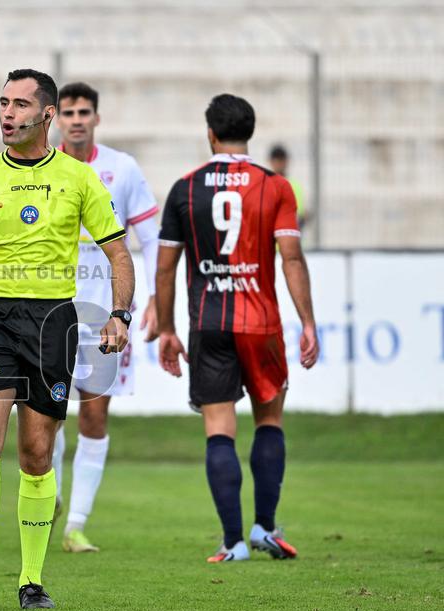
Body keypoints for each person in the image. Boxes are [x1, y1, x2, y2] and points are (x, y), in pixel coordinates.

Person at [0, 69, 135, 609]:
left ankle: (31, 581)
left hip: (52, 323)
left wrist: (120, 314)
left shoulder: (79, 179)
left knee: (38, 452)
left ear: (47, 115)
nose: (7, 113)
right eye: (3, 102)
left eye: (20, 104)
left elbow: (118, 253)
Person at [156, 93, 319, 563]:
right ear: (250, 132)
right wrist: (308, 322)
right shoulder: (276, 187)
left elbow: (165, 268)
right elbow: (291, 258)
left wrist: (166, 329)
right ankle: (265, 527)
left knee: (218, 430)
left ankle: (233, 543)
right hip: (261, 322)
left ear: (210, 133)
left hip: (209, 322)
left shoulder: (185, 188)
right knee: (269, 421)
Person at [51, 82, 160, 553]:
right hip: (50, 312)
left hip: (105, 315)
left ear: (96, 118)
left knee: (94, 416)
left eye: (84, 112)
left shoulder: (123, 169)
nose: (77, 120)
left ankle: (75, 525)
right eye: (69, 112)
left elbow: (151, 239)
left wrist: (155, 299)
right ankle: (50, 500)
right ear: (56, 119)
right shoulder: (40, 168)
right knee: (47, 415)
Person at [268, 144, 308, 227]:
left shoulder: (294, 185)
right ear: (271, 162)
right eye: (276, 160)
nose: (279, 163)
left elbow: (300, 213)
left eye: (281, 160)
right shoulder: (266, 185)